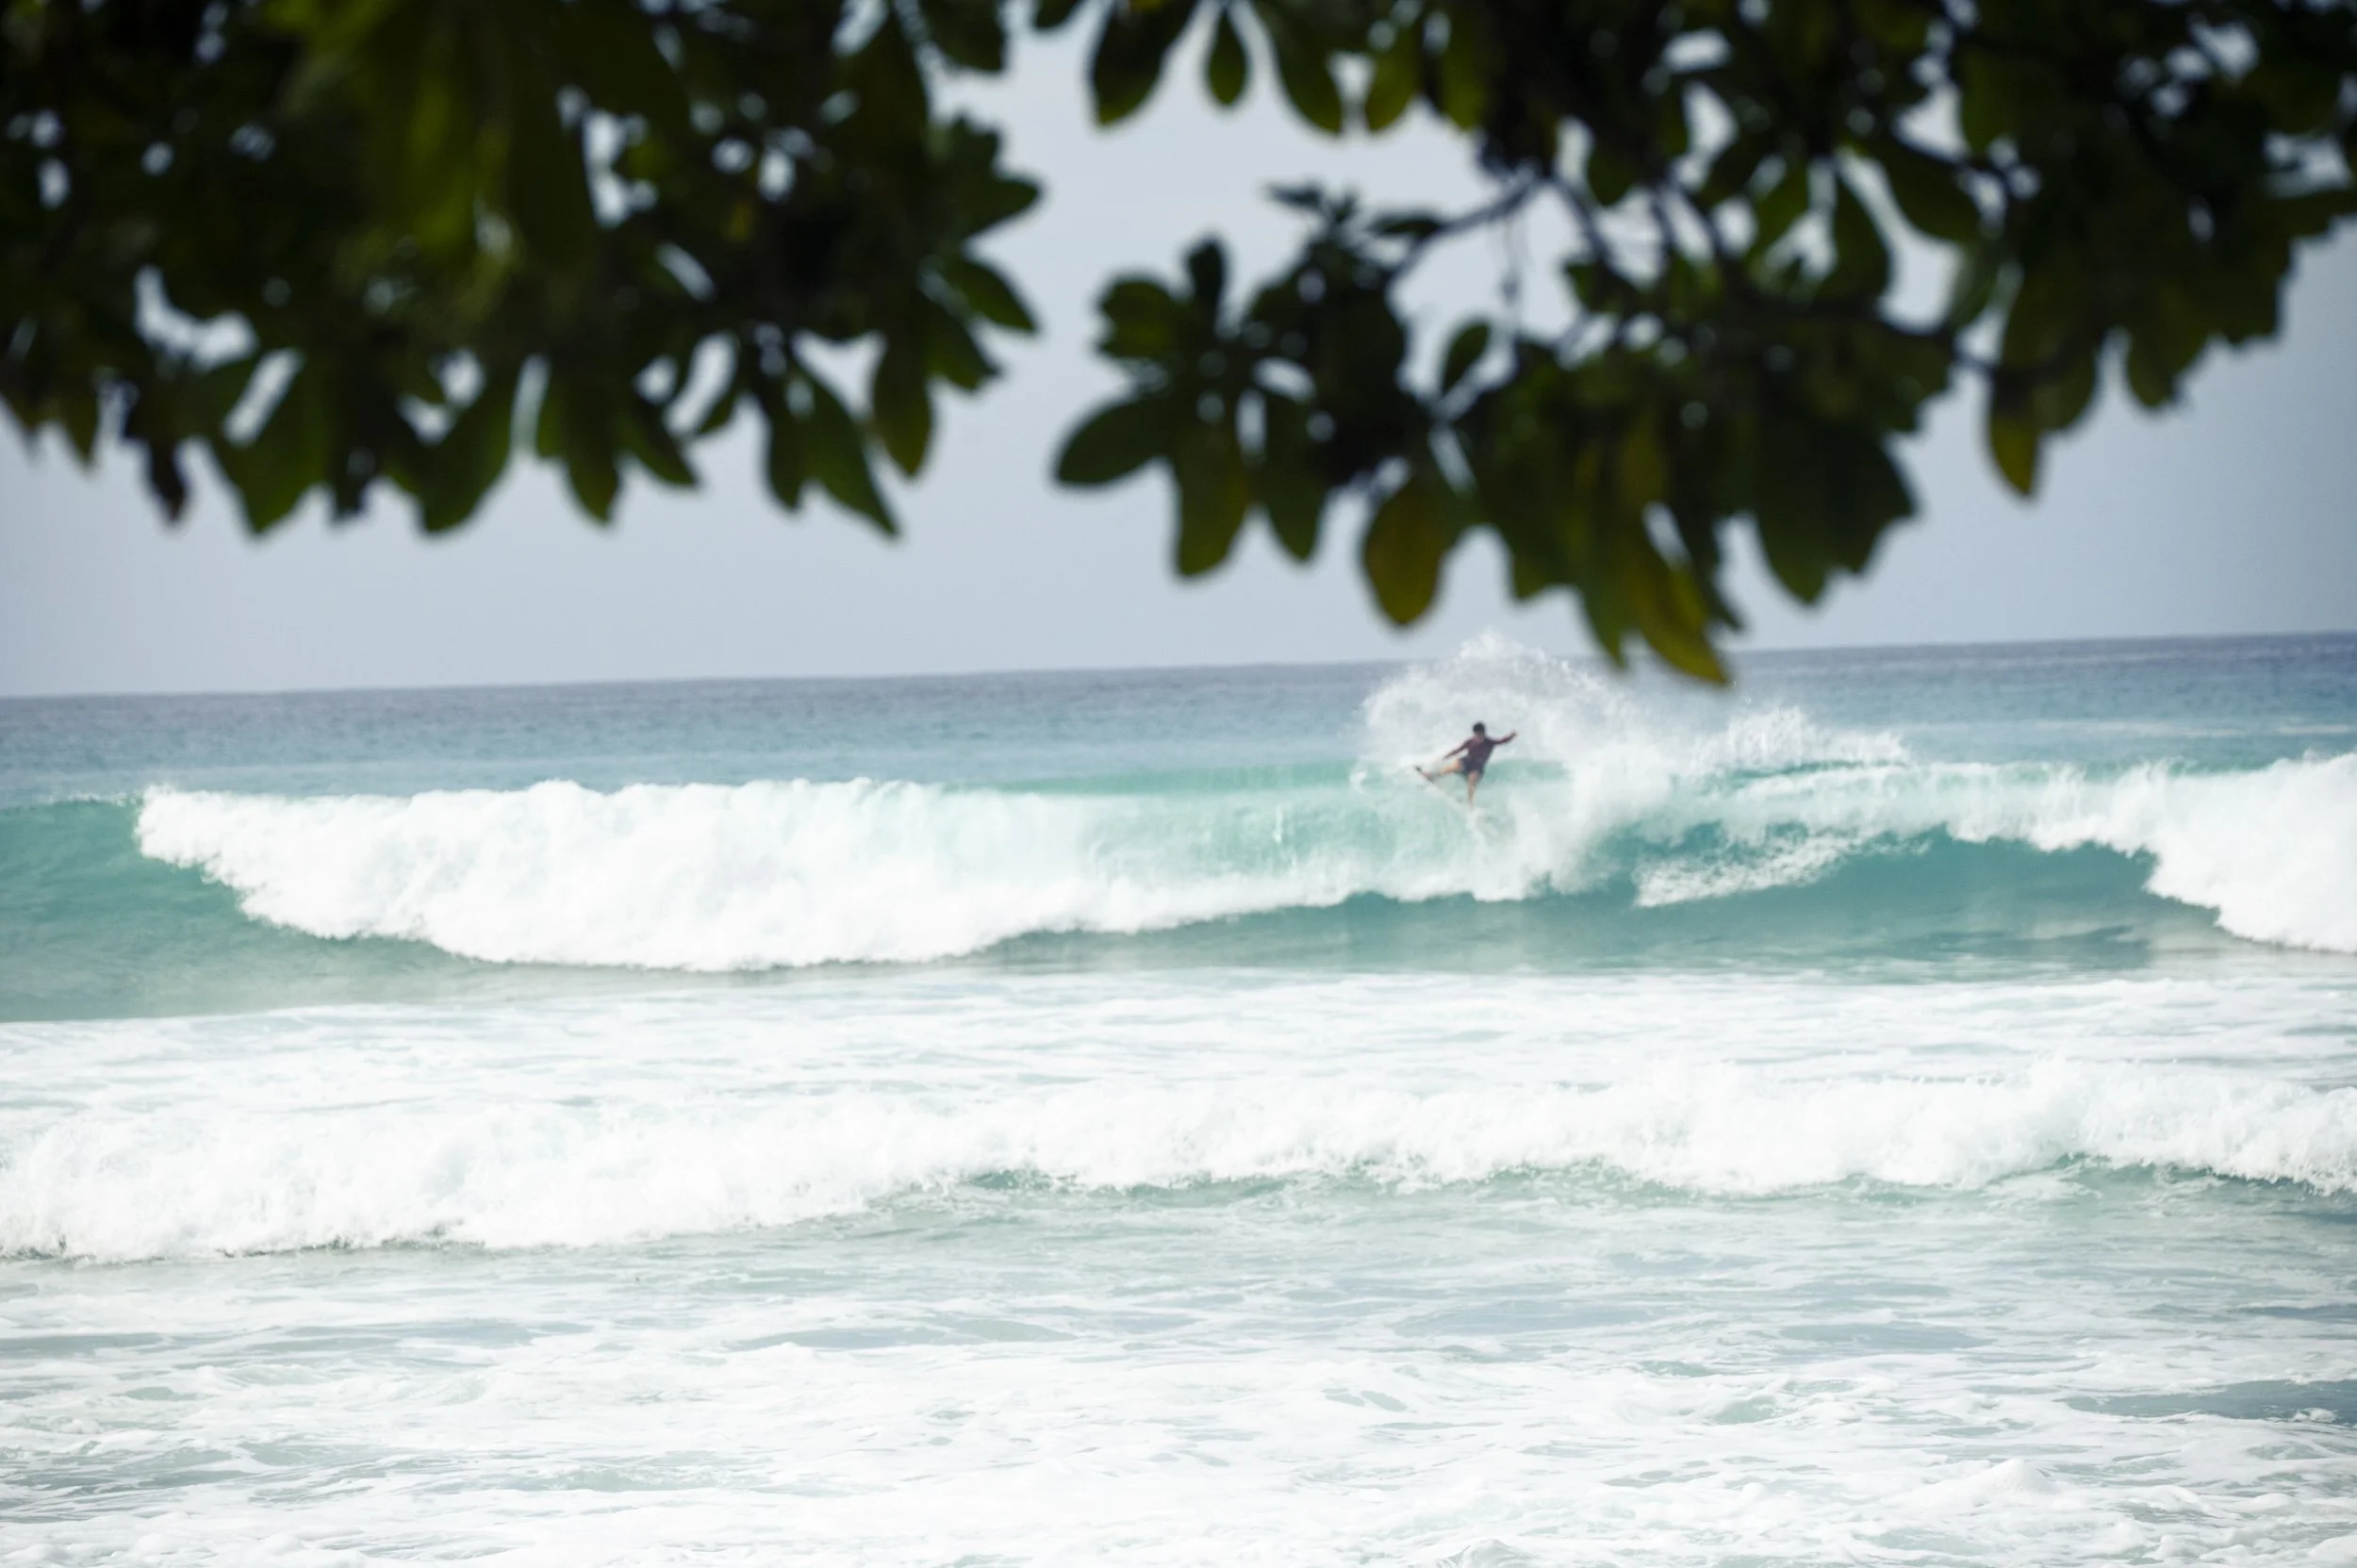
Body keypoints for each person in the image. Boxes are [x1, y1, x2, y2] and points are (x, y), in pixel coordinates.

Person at [1419, 721, 1516, 804]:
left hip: (1477, 766)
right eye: (1477, 734)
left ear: (1484, 733)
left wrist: (1511, 736)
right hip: (1467, 761)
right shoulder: (1470, 741)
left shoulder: (1489, 742)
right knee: (1456, 765)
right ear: (1474, 733)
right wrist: (1445, 757)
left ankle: (1470, 804)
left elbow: (1502, 741)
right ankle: (1433, 776)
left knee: (1472, 778)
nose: (1479, 737)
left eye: (1480, 734)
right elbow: (1458, 750)